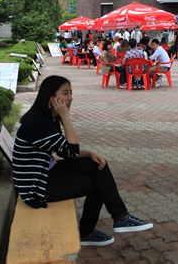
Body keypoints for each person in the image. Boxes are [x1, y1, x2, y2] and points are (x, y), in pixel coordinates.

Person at [13, 76, 153, 247]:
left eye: (71, 93)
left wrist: (89, 153)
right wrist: (66, 117)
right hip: (36, 188)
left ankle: (120, 217)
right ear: (51, 97)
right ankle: (92, 229)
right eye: (65, 93)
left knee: (97, 164)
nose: (70, 97)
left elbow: (63, 151)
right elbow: (70, 151)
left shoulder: (47, 116)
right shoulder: (39, 122)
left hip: (44, 172)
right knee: (98, 184)